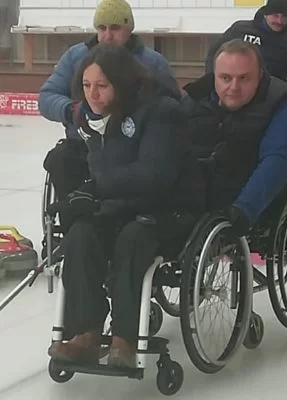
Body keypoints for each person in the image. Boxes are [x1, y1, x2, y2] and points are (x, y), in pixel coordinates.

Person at [47, 43, 204, 370]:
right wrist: (83, 195)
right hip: (119, 207)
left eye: (102, 86)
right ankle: (86, 333)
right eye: (87, 86)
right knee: (80, 235)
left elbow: (154, 175)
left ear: (122, 83)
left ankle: (124, 339)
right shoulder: (94, 118)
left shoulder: (162, 112)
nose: (93, 94)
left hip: (167, 210)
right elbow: (98, 171)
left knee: (132, 239)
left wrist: (99, 190)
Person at [39, 0, 181, 233]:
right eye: (101, 28)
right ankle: (72, 226)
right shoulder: (76, 56)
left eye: (115, 28)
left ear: (128, 30)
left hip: (133, 146)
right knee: (61, 159)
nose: (107, 35)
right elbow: (46, 96)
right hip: (84, 142)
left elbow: (174, 103)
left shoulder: (153, 62)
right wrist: (70, 109)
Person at [183, 39, 287, 235]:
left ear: (260, 76)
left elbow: (277, 161)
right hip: (196, 192)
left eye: (244, 78)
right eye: (225, 78)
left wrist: (245, 208)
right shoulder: (194, 99)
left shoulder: (284, 104)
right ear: (213, 76)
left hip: (251, 196)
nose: (234, 87)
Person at [205, 0, 287, 105]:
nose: (279, 21)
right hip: (236, 92)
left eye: (284, 17)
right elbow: (213, 54)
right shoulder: (240, 29)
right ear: (265, 14)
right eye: (275, 16)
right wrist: (211, 85)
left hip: (270, 99)